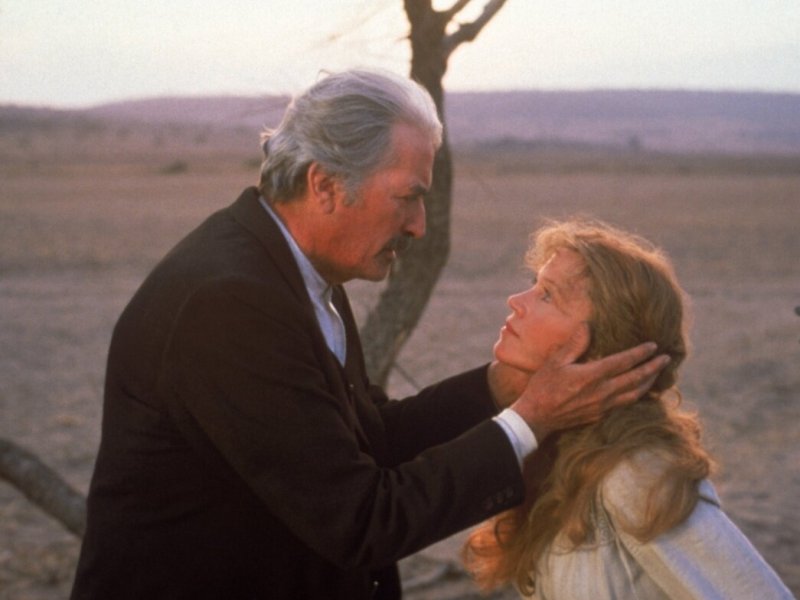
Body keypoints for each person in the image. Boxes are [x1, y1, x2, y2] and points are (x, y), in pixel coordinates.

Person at [70, 70, 667, 600]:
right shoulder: (231, 302)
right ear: (325, 185)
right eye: (407, 198)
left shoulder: (295, 275)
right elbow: (360, 519)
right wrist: (530, 419)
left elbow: (366, 441)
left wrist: (499, 388)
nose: (419, 226)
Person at [462, 220, 795, 599]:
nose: (516, 301)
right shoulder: (558, 453)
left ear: (602, 347)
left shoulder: (637, 473)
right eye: (534, 285)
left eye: (547, 295)